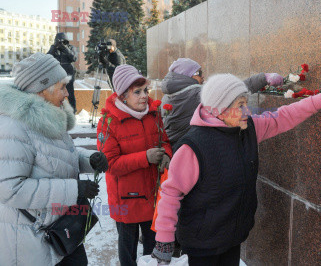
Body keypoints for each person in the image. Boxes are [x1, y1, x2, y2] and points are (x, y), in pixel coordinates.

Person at [151, 73, 321, 265]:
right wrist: (164, 239)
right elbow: (171, 194)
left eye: (246, 103)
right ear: (219, 109)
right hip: (202, 242)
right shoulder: (192, 147)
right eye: (240, 105)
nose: (248, 111)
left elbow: (283, 116)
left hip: (233, 235)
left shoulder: (248, 130)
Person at [0, 53, 108, 266]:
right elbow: (10, 189)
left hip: (61, 233)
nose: (67, 94)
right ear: (41, 90)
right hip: (33, 244)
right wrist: (74, 189)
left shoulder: (48, 116)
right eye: (62, 87)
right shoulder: (14, 127)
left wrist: (89, 160)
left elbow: (53, 159)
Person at [98, 64, 173, 266]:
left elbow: (164, 141)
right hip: (125, 200)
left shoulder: (153, 113)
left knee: (151, 254)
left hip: (152, 196)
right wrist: (145, 158)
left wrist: (166, 154)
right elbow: (110, 164)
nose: (144, 96)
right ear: (123, 96)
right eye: (137, 92)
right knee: (128, 254)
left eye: (145, 90)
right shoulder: (108, 121)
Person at [160, 58, 284, 148]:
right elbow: (233, 91)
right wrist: (264, 78)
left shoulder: (169, 95)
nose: (203, 77)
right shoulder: (194, 95)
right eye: (199, 73)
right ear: (187, 76)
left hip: (175, 148)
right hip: (187, 149)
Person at [48, 32, 78, 112]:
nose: (61, 43)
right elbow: (47, 57)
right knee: (55, 93)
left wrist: (65, 48)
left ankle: (73, 111)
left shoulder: (71, 47)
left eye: (63, 41)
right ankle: (56, 110)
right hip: (57, 73)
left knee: (70, 93)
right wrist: (54, 47)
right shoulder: (54, 49)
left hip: (68, 73)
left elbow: (74, 58)